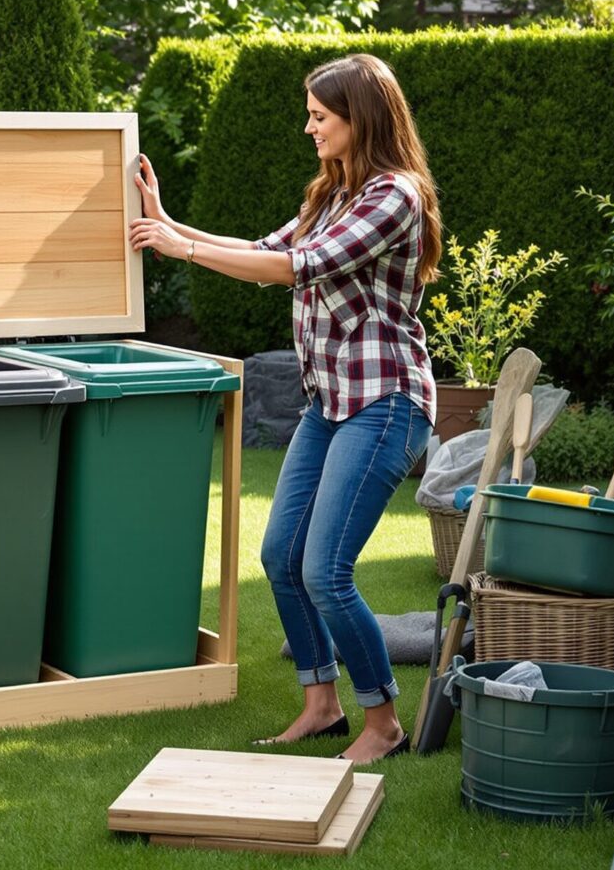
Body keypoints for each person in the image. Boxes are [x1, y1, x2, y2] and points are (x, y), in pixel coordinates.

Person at [129, 53, 440, 764]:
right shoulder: (331, 193)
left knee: (326, 568)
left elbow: (299, 267)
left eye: (320, 116)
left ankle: (384, 722)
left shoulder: (394, 196)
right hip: (331, 404)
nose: (309, 128)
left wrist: (179, 246)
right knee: (280, 556)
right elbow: (261, 250)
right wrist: (168, 224)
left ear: (359, 118)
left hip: (384, 401)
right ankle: (322, 704)